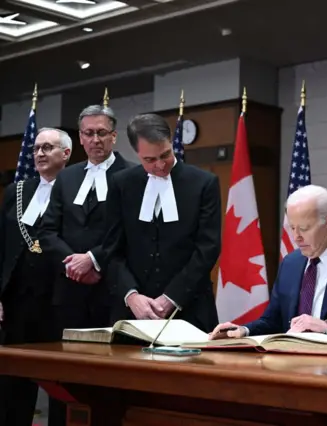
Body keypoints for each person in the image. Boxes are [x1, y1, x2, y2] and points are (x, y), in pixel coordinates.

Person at [209, 184, 327, 343]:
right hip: (292, 366)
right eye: (292, 228)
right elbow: (273, 321)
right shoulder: (291, 263)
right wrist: (243, 330)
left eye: (304, 228)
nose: (296, 237)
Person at [95, 113, 220, 332]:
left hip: (190, 308)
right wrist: (131, 296)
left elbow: (207, 248)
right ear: (137, 153)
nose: (160, 166)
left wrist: (172, 296)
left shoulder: (203, 183)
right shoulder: (122, 184)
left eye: (165, 155)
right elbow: (111, 249)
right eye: (150, 160)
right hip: (132, 311)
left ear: (171, 142)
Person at [39, 105, 132, 332]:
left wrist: (93, 259)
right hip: (70, 288)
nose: (95, 139)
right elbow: (47, 231)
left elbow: (129, 232)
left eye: (101, 133)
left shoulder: (132, 176)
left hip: (111, 286)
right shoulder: (66, 177)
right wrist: (74, 264)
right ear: (80, 138)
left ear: (114, 136)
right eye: (88, 133)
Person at [0, 128, 70, 426]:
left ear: (65, 154)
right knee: (12, 385)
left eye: (48, 148)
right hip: (17, 301)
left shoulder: (77, 190)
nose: (40, 153)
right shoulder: (16, 191)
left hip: (58, 302)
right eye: (37, 148)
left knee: (61, 383)